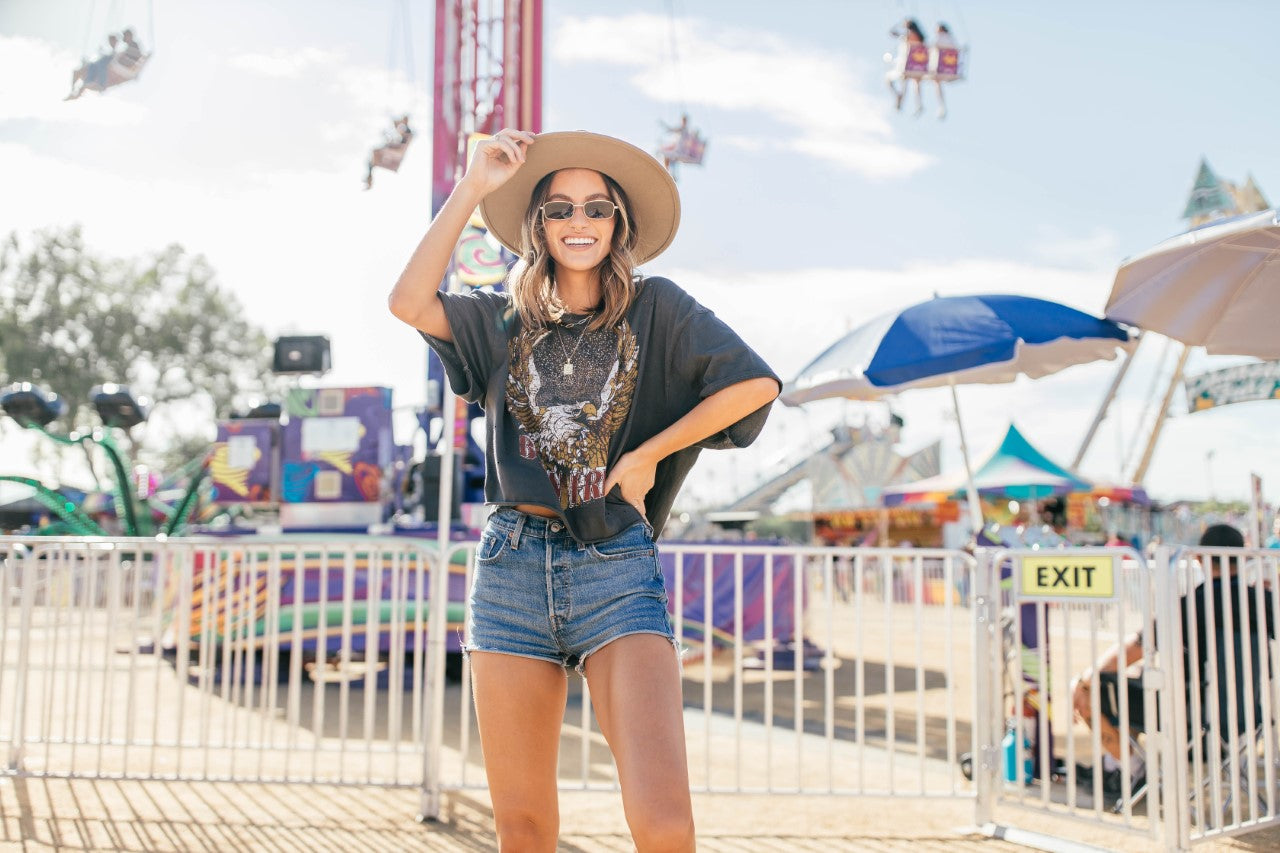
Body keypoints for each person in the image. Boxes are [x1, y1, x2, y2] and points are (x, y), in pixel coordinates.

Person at [387, 129, 780, 851]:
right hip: (510, 567)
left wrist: (648, 455)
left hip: (615, 564)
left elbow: (755, 384)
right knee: (525, 828)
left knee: (664, 823)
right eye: (560, 208)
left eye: (596, 209)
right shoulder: (502, 319)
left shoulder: (658, 307)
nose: (578, 221)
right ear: (537, 224)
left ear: (617, 225)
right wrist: (473, 187)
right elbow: (409, 300)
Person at [1071, 524, 1275, 794]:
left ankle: (1132, 769)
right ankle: (1115, 767)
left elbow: (1133, 649)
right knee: (1134, 686)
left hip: (1190, 717)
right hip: (1248, 713)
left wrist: (1083, 681)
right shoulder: (1265, 601)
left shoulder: (1188, 605)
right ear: (1243, 557)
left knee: (1098, 689)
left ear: (1199, 557)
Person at [886, 18, 927, 116]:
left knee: (895, 82)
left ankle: (899, 101)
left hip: (907, 65)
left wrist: (899, 23)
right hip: (919, 65)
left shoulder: (908, 36)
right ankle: (918, 105)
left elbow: (891, 33)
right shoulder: (920, 37)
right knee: (914, 85)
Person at [364, 115, 414, 189]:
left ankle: (369, 178)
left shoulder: (407, 132)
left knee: (375, 153)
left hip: (397, 152)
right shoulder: (404, 132)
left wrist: (390, 144)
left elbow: (401, 145)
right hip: (395, 150)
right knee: (371, 160)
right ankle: (369, 178)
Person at [65, 33, 119, 101]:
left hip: (100, 76)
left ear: (116, 41)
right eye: (110, 40)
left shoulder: (115, 53)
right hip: (94, 68)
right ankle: (73, 92)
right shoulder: (110, 52)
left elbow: (106, 64)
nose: (111, 42)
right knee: (76, 72)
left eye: (112, 40)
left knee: (93, 68)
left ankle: (85, 87)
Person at [932, 23, 957, 120]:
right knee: (937, 84)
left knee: (937, 83)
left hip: (942, 66)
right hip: (950, 67)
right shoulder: (951, 39)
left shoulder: (940, 38)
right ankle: (942, 106)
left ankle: (942, 106)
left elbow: (933, 46)